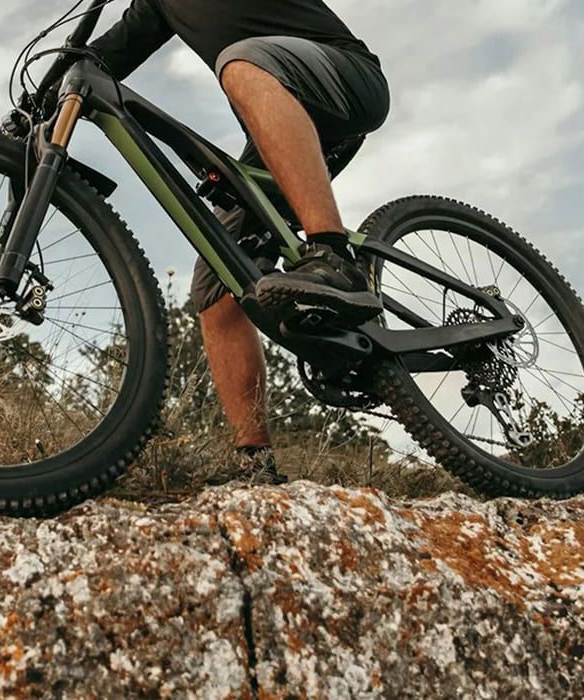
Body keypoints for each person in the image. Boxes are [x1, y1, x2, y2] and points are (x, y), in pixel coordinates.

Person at [89, 0, 389, 484]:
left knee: (240, 62)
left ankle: (332, 253)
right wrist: (42, 95)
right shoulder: (159, 6)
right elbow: (105, 56)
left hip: (346, 77)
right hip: (279, 114)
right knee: (218, 283)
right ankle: (256, 463)